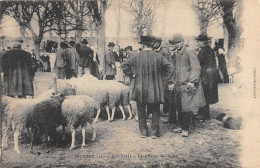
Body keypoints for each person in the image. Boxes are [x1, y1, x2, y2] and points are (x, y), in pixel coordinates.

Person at [121, 36, 175, 139]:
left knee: (141, 110)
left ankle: (143, 132)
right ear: (152, 44)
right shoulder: (158, 56)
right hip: (155, 88)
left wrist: (132, 73)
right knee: (155, 109)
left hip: (140, 88)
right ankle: (154, 132)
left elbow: (124, 65)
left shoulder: (137, 56)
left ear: (142, 45)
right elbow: (170, 67)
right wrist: (167, 79)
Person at [169, 34, 206, 137]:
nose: (176, 45)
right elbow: (175, 69)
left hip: (187, 84)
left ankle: (185, 128)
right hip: (178, 84)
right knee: (179, 106)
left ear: (182, 41)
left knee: (186, 107)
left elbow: (196, 67)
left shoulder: (189, 52)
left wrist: (192, 81)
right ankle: (181, 126)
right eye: (174, 43)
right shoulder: (178, 54)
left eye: (178, 43)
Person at [196, 35, 219, 120]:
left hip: (205, 74)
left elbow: (198, 62)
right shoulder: (210, 49)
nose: (197, 43)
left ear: (203, 41)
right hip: (211, 74)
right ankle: (201, 112)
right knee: (206, 93)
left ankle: (205, 114)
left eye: (199, 41)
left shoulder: (203, 50)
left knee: (204, 93)